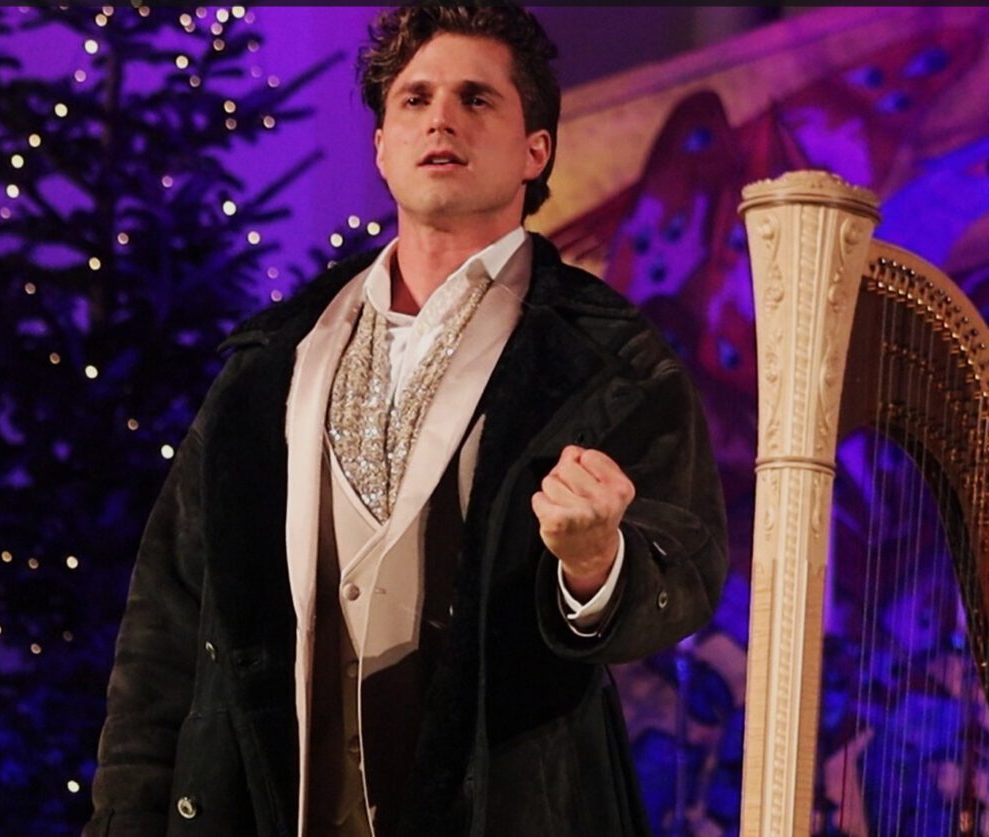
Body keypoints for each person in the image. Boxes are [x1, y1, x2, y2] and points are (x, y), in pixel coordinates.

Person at [83, 3, 728, 836]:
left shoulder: (612, 360)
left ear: (536, 150)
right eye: (416, 99)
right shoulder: (273, 360)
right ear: (383, 147)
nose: (442, 118)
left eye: (476, 98)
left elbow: (685, 567)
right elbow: (166, 624)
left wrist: (598, 563)